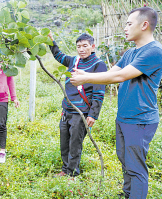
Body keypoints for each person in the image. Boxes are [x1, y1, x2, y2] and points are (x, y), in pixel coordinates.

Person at [70, 7, 162, 199]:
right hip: (124, 117)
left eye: (129, 23)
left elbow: (119, 76)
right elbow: (112, 72)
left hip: (140, 119)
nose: (125, 28)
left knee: (136, 167)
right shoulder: (131, 52)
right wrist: (85, 74)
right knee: (125, 160)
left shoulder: (155, 51)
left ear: (144, 25)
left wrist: (85, 78)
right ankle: (128, 194)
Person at [47, 32, 107, 177]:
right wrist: (51, 41)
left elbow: (99, 92)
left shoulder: (98, 65)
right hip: (67, 110)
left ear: (92, 47)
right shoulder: (74, 61)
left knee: (75, 144)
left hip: (81, 112)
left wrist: (93, 114)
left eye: (85, 46)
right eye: (78, 46)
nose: (81, 49)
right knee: (64, 142)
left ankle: (72, 174)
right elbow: (59, 56)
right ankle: (65, 169)